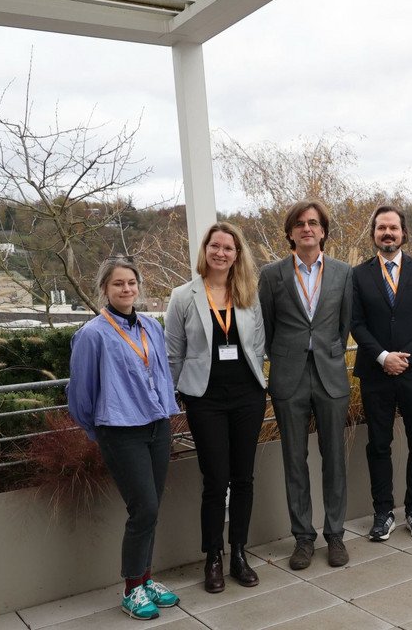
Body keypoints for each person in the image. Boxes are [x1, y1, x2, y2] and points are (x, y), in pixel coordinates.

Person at [67, 257, 181, 621]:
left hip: (156, 426)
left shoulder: (151, 326)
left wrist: (166, 411)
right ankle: (132, 588)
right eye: (118, 284)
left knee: (153, 506)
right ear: (104, 288)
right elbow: (80, 393)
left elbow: (162, 373)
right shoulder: (92, 334)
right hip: (120, 431)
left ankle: (146, 579)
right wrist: (96, 430)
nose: (126, 289)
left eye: (131, 282)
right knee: (143, 508)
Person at [165, 223, 266, 592]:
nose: (221, 253)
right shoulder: (182, 296)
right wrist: (169, 398)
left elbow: (258, 346)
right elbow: (173, 352)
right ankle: (213, 557)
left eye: (228, 248)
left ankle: (239, 552)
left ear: (237, 255)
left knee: (243, 478)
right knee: (215, 479)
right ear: (205, 249)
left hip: (247, 396)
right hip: (203, 399)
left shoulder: (248, 293)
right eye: (215, 246)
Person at [259, 200, 353, 569]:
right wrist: (287, 356)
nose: (307, 228)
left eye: (313, 223)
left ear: (323, 231)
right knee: (294, 461)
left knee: (334, 460)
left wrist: (326, 351)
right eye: (299, 223)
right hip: (289, 376)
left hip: (330, 375)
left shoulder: (344, 273)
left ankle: (335, 536)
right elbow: (266, 329)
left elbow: (343, 326)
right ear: (290, 232)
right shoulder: (272, 274)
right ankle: (303, 538)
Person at [351, 205, 412, 541]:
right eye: (381, 228)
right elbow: (355, 323)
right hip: (376, 374)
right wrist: (383, 357)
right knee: (378, 445)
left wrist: (405, 357)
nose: (387, 233)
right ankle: (383, 513)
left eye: (393, 228)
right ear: (374, 233)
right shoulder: (358, 275)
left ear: (403, 233)